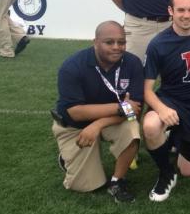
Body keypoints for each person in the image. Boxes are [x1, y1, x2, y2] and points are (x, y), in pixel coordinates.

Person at [51, 21, 142, 203]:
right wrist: (121, 107)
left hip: (111, 121)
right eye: (109, 42)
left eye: (121, 42)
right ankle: (66, 157)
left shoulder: (133, 63)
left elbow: (135, 112)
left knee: (132, 128)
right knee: (87, 186)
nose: (117, 47)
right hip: (77, 126)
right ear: (95, 42)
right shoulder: (72, 66)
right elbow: (75, 112)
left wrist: (99, 123)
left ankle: (117, 181)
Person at [142, 0, 190, 202]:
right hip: (171, 100)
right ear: (170, 11)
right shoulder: (159, 44)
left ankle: (178, 135)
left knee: (189, 171)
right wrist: (162, 109)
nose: (186, 15)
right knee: (150, 126)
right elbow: (146, 89)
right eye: (181, 10)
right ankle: (166, 173)